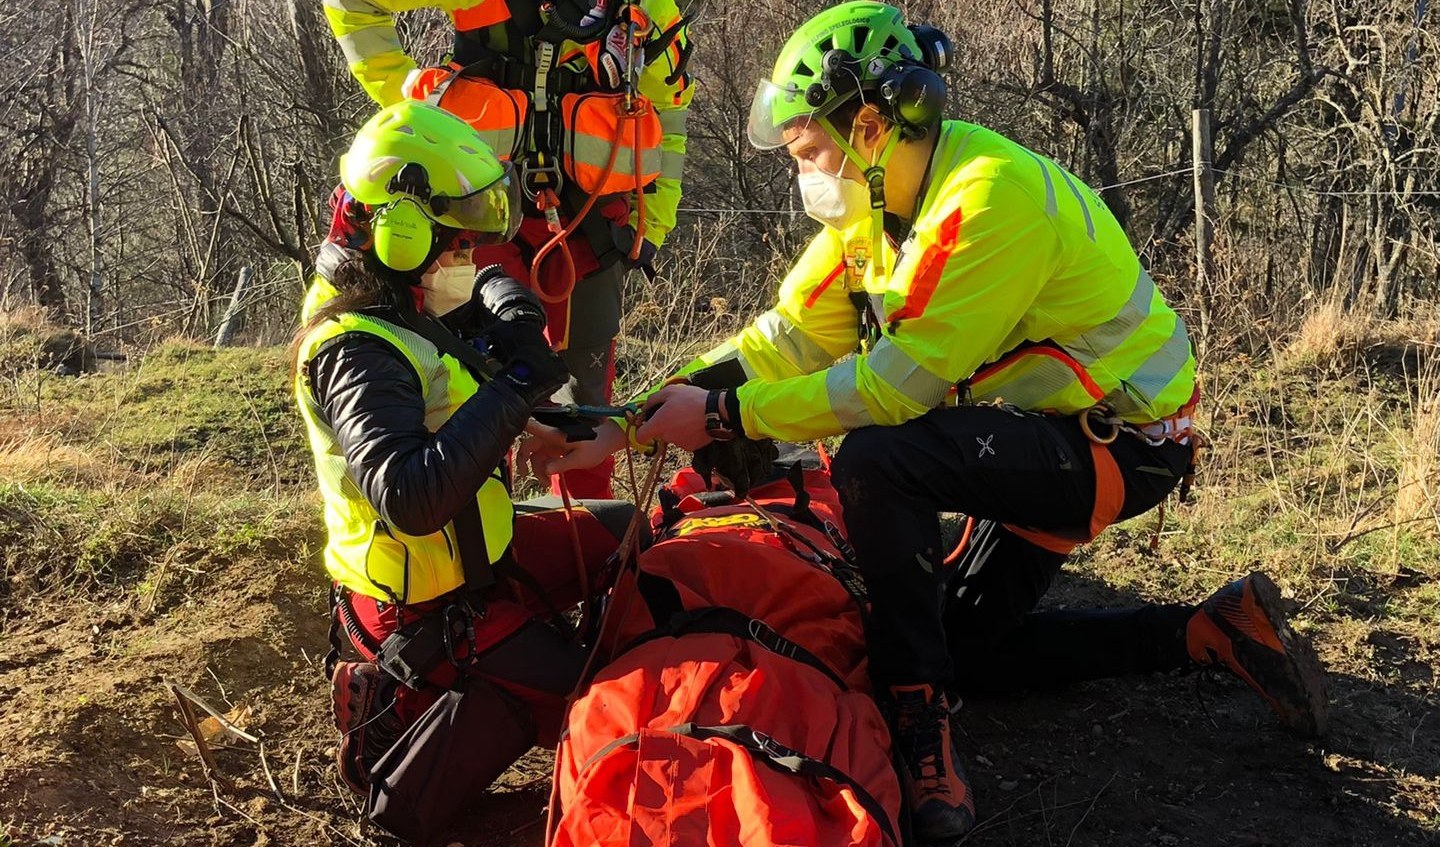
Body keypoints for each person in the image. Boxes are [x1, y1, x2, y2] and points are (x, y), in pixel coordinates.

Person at [524, 3, 1329, 844]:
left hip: (1126, 442)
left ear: (869, 127)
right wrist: (625, 423)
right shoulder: (876, 203)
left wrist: (724, 414)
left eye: (809, 151)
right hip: (1041, 433)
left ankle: (920, 720)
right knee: (963, 647)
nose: (803, 174)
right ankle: (1205, 630)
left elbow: (894, 391)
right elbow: (784, 340)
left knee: (878, 460)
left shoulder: (990, 200)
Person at [293, 101, 634, 804]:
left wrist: (511, 325)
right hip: (428, 614)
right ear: (402, 231)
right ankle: (408, 707)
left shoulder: (392, 294)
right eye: (456, 243)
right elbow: (411, 496)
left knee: (628, 536)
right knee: (610, 699)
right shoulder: (353, 347)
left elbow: (465, 324)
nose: (467, 258)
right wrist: (513, 388)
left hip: (479, 554)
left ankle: (556, 641)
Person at [323, 0, 696, 499]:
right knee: (472, 377)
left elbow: (669, 108)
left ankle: (587, 531)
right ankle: (481, 525)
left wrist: (657, 219)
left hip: (594, 225)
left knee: (586, 394)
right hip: (475, 215)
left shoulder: (646, 8)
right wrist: (411, 110)